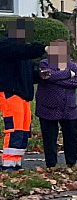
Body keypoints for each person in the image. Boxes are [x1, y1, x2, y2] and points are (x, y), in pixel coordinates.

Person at [0, 19, 46, 171]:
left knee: (23, 129)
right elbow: (23, 50)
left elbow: (27, 74)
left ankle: (16, 162)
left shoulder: (20, 52)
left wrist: (39, 75)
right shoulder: (6, 45)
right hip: (11, 93)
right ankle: (8, 164)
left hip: (22, 94)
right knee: (14, 128)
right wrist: (43, 48)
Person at [35, 40, 77, 168]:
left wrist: (57, 79)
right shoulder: (45, 63)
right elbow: (48, 76)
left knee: (72, 136)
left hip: (69, 108)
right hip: (48, 108)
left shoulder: (72, 65)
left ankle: (71, 163)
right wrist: (68, 75)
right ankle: (51, 165)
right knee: (50, 137)